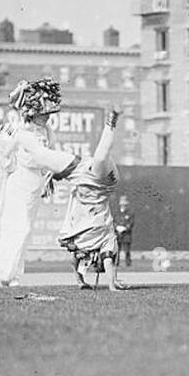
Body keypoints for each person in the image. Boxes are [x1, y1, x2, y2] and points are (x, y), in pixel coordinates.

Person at [0, 78, 79, 293]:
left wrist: (49, 177)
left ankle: (12, 273)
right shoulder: (20, 129)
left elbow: (50, 155)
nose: (48, 117)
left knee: (26, 230)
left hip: (35, 185)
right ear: (35, 112)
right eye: (44, 113)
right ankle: (7, 274)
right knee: (18, 228)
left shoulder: (48, 132)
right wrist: (9, 165)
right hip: (19, 182)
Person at [57, 109, 127, 292]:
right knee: (99, 159)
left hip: (94, 179)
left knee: (99, 159)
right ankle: (111, 122)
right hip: (99, 182)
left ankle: (111, 122)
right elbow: (108, 259)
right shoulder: (105, 239)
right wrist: (111, 284)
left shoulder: (85, 239)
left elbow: (78, 258)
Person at [114, 194, 135, 267]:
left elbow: (131, 223)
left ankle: (128, 263)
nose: (123, 205)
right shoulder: (116, 212)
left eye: (125, 204)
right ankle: (116, 263)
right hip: (117, 234)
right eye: (122, 203)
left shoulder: (130, 213)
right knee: (117, 250)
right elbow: (113, 222)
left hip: (126, 235)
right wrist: (116, 227)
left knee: (127, 251)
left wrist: (125, 228)